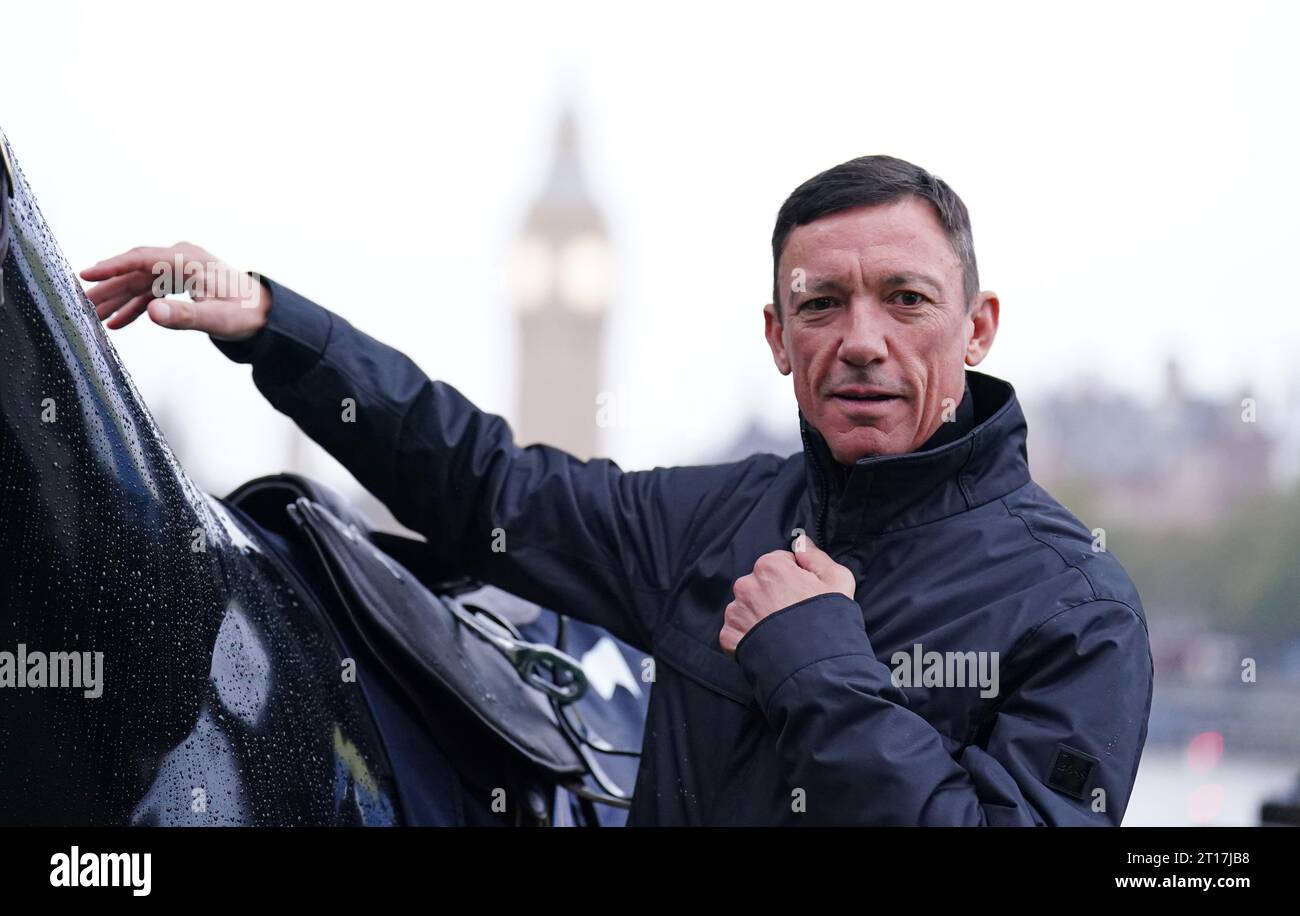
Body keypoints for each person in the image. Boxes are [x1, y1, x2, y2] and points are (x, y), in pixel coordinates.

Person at [83, 154, 1153, 826]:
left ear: (976, 329)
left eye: (905, 299)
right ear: (779, 340)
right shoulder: (713, 521)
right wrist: (274, 321)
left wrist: (820, 665)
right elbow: (487, 483)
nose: (860, 340)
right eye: (821, 304)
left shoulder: (1078, 607)